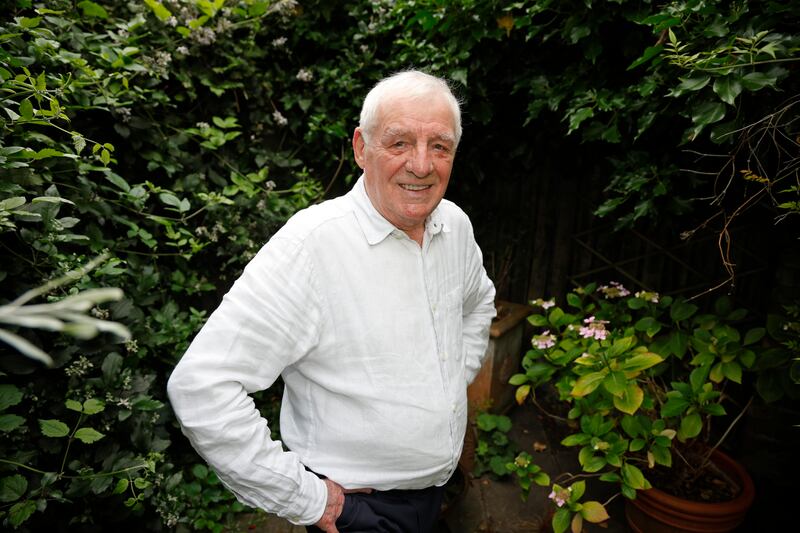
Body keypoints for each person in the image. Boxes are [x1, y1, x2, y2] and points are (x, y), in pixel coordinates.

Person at [167, 70, 496, 533]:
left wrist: (449, 383)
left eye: (438, 146)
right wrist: (310, 499)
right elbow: (201, 387)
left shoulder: (454, 226)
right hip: (362, 512)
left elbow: (478, 302)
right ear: (361, 148)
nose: (421, 165)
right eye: (399, 143)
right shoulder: (312, 246)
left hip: (437, 490)